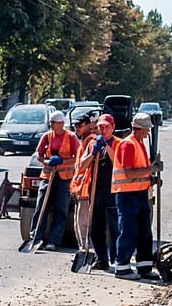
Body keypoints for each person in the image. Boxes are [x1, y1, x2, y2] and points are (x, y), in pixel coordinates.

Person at [112, 112, 156, 280]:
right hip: (127, 194)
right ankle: (122, 267)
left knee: (144, 232)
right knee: (129, 231)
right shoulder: (128, 145)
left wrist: (150, 177)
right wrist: (150, 169)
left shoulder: (138, 143)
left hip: (140, 193)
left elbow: (139, 171)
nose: (148, 133)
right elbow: (129, 173)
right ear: (140, 129)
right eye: (146, 129)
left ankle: (144, 266)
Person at [32, 111, 80, 250]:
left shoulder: (71, 137)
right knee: (41, 206)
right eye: (51, 122)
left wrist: (62, 161)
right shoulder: (46, 137)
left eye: (54, 122)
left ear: (61, 123)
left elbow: (77, 156)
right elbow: (39, 154)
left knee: (61, 209)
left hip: (64, 178)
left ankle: (54, 240)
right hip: (48, 176)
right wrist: (46, 162)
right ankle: (36, 236)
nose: (51, 125)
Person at [87, 114, 120, 271]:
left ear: (113, 127)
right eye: (100, 127)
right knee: (95, 228)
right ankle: (102, 259)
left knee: (114, 227)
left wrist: (106, 145)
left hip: (113, 191)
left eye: (106, 127)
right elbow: (82, 165)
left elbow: (118, 162)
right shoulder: (93, 143)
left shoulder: (119, 143)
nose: (103, 129)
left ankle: (117, 258)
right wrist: (92, 154)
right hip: (95, 191)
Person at [69, 112, 97, 249]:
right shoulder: (83, 142)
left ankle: (88, 251)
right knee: (78, 223)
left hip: (87, 190)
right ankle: (84, 249)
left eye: (80, 125)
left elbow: (84, 165)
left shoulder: (91, 141)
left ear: (89, 126)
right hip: (81, 190)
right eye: (75, 126)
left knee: (84, 224)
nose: (77, 128)